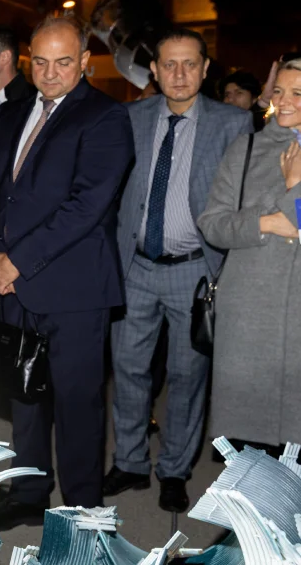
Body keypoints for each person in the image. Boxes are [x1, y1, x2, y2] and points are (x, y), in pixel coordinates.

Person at [0, 14, 135, 528]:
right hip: (12, 283)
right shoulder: (10, 114)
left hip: (74, 287)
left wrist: (17, 261)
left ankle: (82, 511)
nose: (50, 73)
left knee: (78, 406)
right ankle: (29, 493)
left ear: (84, 61)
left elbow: (86, 206)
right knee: (24, 397)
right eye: (40, 62)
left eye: (63, 62)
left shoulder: (105, 117)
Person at [105, 28, 251, 513]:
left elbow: (248, 196)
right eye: (170, 64)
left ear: (206, 69)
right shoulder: (131, 117)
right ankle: (129, 461)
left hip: (195, 272)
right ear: (154, 70)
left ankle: (174, 469)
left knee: (188, 375)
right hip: (135, 267)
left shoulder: (234, 123)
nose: (180, 74)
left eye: (190, 63)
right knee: (128, 367)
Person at [198, 59, 301, 457]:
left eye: (298, 93)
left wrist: (294, 187)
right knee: (248, 453)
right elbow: (212, 223)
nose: (284, 101)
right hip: (248, 319)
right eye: (280, 91)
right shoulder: (247, 148)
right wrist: (266, 223)